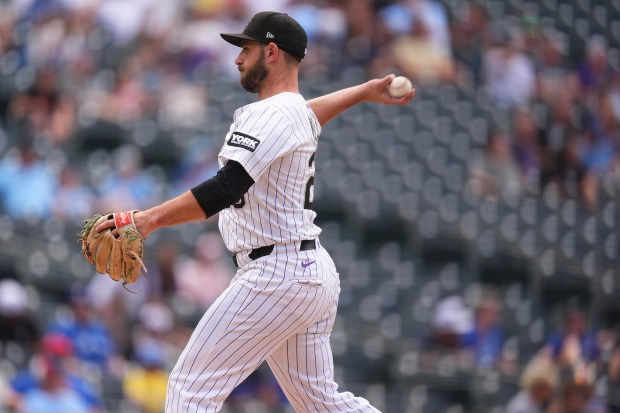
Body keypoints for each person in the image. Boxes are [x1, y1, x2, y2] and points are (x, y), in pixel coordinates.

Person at [94, 11, 413, 412]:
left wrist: (147, 219)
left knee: (188, 389)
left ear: (272, 52)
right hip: (308, 271)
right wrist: (363, 91)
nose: (237, 58)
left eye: (246, 47)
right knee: (321, 403)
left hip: (275, 275)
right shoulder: (289, 113)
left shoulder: (273, 114)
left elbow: (226, 188)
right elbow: (306, 115)